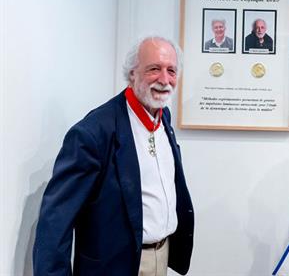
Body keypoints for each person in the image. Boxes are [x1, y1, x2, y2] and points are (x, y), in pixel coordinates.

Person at [33, 36, 194, 276]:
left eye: (171, 70)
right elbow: (56, 221)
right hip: (116, 266)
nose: (164, 79)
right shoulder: (92, 133)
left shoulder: (163, 118)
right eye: (153, 69)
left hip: (162, 256)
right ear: (132, 74)